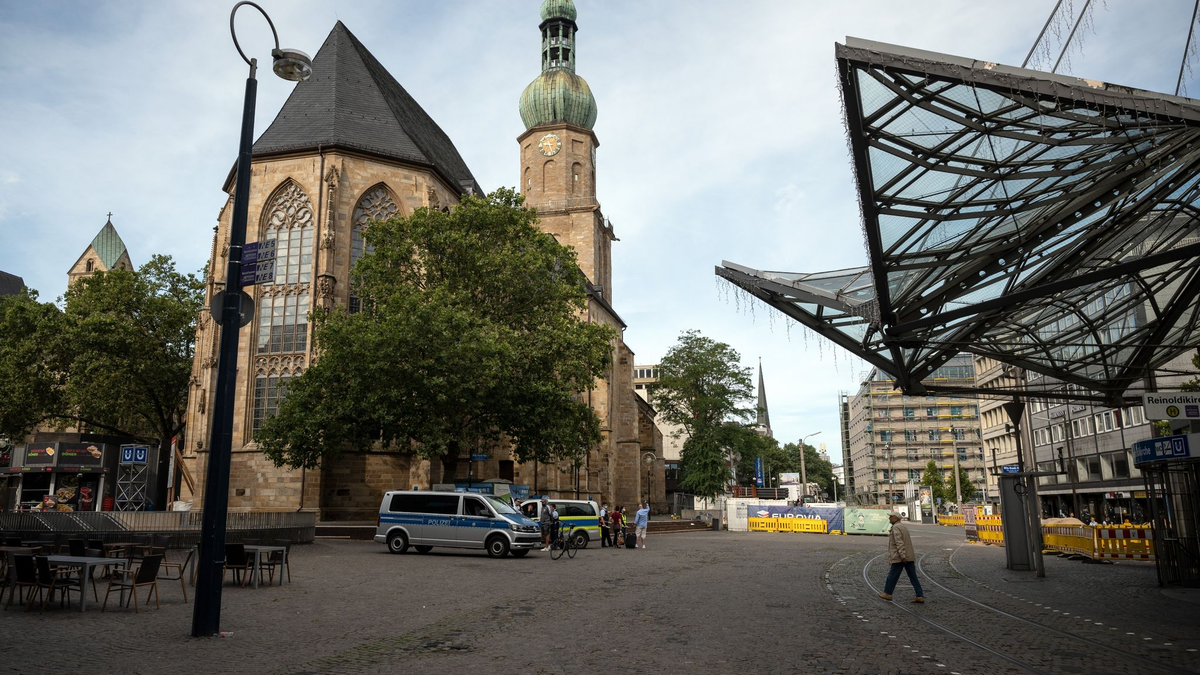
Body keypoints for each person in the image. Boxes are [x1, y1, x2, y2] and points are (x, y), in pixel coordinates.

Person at [879, 511, 925, 604]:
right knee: (913, 576)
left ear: (896, 518)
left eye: (891, 517)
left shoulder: (896, 527)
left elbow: (899, 542)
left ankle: (888, 593)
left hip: (900, 557)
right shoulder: (902, 526)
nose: (889, 518)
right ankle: (919, 595)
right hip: (908, 556)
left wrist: (903, 556)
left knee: (892, 576)